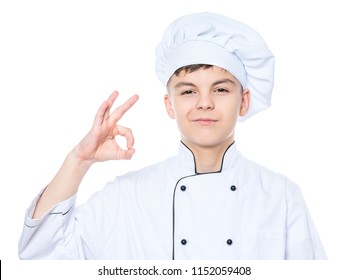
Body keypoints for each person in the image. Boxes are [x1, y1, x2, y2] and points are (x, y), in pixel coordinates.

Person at [18, 12, 327, 260]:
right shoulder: (128, 197)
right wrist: (79, 159)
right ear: (170, 104)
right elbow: (41, 255)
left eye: (220, 89)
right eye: (188, 91)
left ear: (243, 101)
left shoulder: (281, 196)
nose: (204, 102)